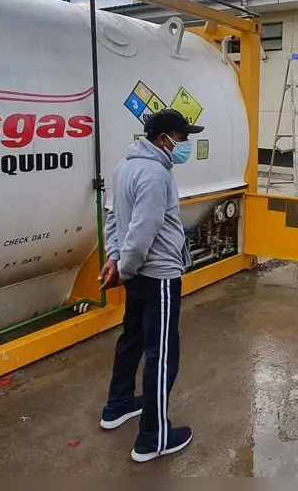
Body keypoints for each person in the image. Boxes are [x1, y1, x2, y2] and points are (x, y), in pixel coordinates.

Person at [98, 108, 203, 463]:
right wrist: (125, 267)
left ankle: (119, 405)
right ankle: (153, 438)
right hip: (157, 276)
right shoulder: (156, 174)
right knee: (161, 355)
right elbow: (142, 231)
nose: (184, 145)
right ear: (164, 140)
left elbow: (113, 219)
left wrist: (115, 260)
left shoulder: (124, 166)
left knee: (132, 339)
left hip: (137, 275)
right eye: (182, 138)